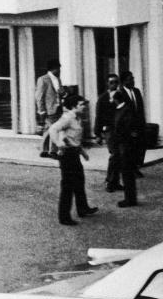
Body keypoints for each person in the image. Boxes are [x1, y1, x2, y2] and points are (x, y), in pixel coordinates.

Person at [48, 95, 97, 225]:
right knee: (68, 186)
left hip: (74, 153)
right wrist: (58, 143)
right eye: (81, 104)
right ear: (74, 106)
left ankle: (83, 208)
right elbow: (53, 129)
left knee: (79, 181)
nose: (84, 107)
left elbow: (73, 138)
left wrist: (82, 152)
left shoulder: (77, 118)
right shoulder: (67, 118)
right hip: (67, 155)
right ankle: (64, 217)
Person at [108, 90, 138, 208]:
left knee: (127, 173)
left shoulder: (126, 111)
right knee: (125, 172)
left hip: (126, 146)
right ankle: (129, 198)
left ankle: (130, 199)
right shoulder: (120, 109)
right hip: (122, 145)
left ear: (116, 99)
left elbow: (127, 128)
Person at [95, 74, 122, 192]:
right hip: (109, 130)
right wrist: (97, 134)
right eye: (111, 82)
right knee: (115, 154)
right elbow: (98, 116)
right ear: (107, 84)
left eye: (116, 82)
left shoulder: (121, 96)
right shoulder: (102, 98)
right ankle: (109, 182)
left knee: (119, 156)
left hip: (120, 130)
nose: (114, 85)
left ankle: (115, 181)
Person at [120, 71, 146, 177]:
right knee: (130, 149)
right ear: (124, 81)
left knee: (139, 148)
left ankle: (136, 167)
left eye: (133, 79)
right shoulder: (120, 94)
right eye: (130, 79)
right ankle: (130, 169)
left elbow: (140, 109)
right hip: (128, 127)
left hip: (139, 124)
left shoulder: (136, 91)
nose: (132, 81)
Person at [35, 59, 63, 158]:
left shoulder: (58, 79)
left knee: (48, 130)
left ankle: (44, 150)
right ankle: (53, 151)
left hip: (58, 108)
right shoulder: (43, 79)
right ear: (54, 68)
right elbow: (39, 96)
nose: (60, 70)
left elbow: (59, 92)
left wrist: (62, 92)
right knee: (54, 129)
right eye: (58, 68)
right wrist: (41, 110)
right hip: (49, 109)